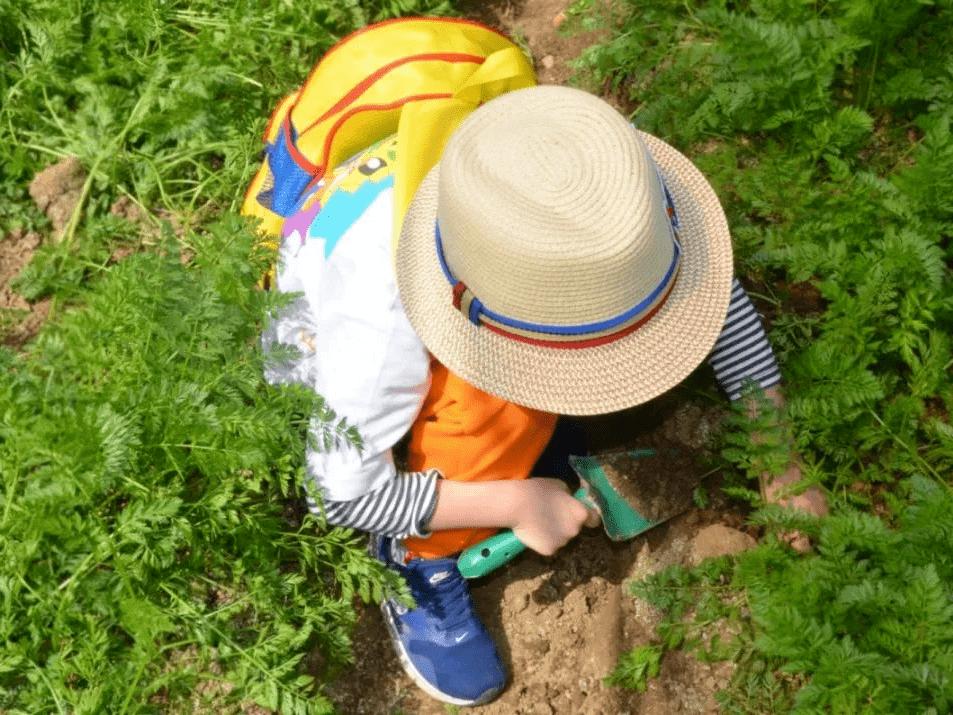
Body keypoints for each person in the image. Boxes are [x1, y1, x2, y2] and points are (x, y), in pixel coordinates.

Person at [263, 85, 828, 707]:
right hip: (323, 367)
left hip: (444, 287)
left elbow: (715, 303)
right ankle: (417, 556)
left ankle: (516, 444)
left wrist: (779, 454)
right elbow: (340, 493)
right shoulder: (378, 337)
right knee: (496, 414)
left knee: (526, 411)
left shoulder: (587, 173)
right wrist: (515, 501)